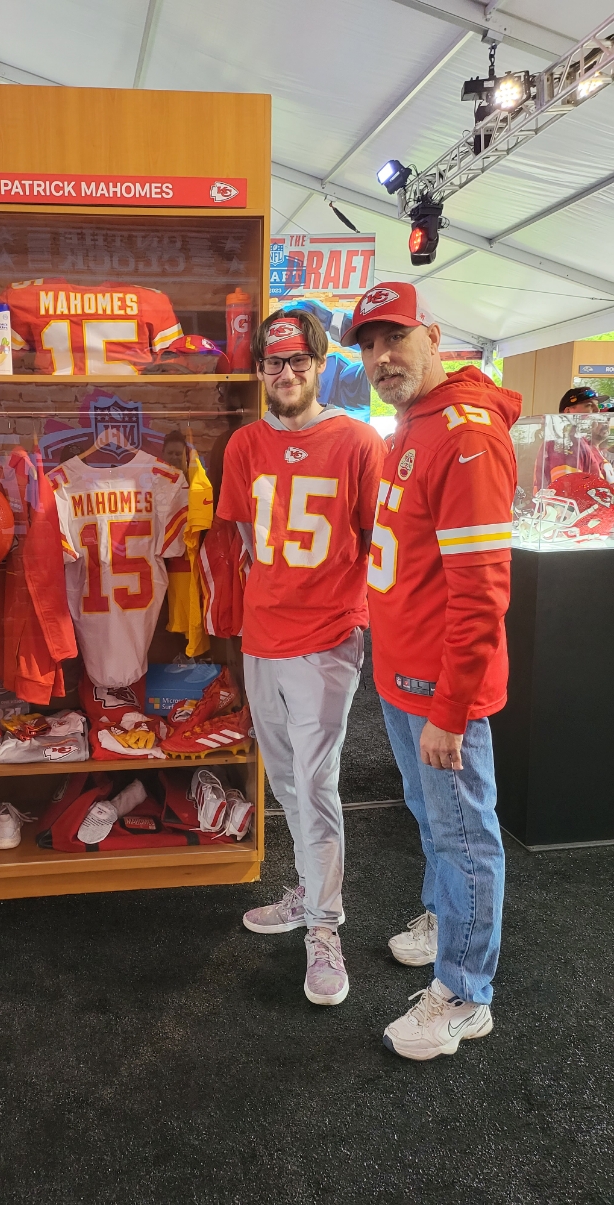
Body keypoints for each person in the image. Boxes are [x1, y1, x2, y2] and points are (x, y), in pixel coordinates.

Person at [345, 282, 519, 1060]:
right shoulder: (409, 424)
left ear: (434, 335)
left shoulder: (466, 433)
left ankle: (466, 992)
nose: (383, 356)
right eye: (369, 344)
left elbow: (481, 591)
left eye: (396, 338)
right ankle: (449, 923)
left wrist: (451, 708)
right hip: (402, 675)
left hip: (439, 689)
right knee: (433, 821)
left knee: (465, 837)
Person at [217, 310, 385, 1006]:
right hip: (263, 635)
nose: (285, 374)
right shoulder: (243, 444)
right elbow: (244, 544)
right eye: (273, 362)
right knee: (286, 781)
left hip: (327, 639)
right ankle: (308, 891)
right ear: (258, 370)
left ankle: (325, 926)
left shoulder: (359, 441)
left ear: (319, 365)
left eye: (298, 362)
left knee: (316, 786)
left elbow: (382, 547)